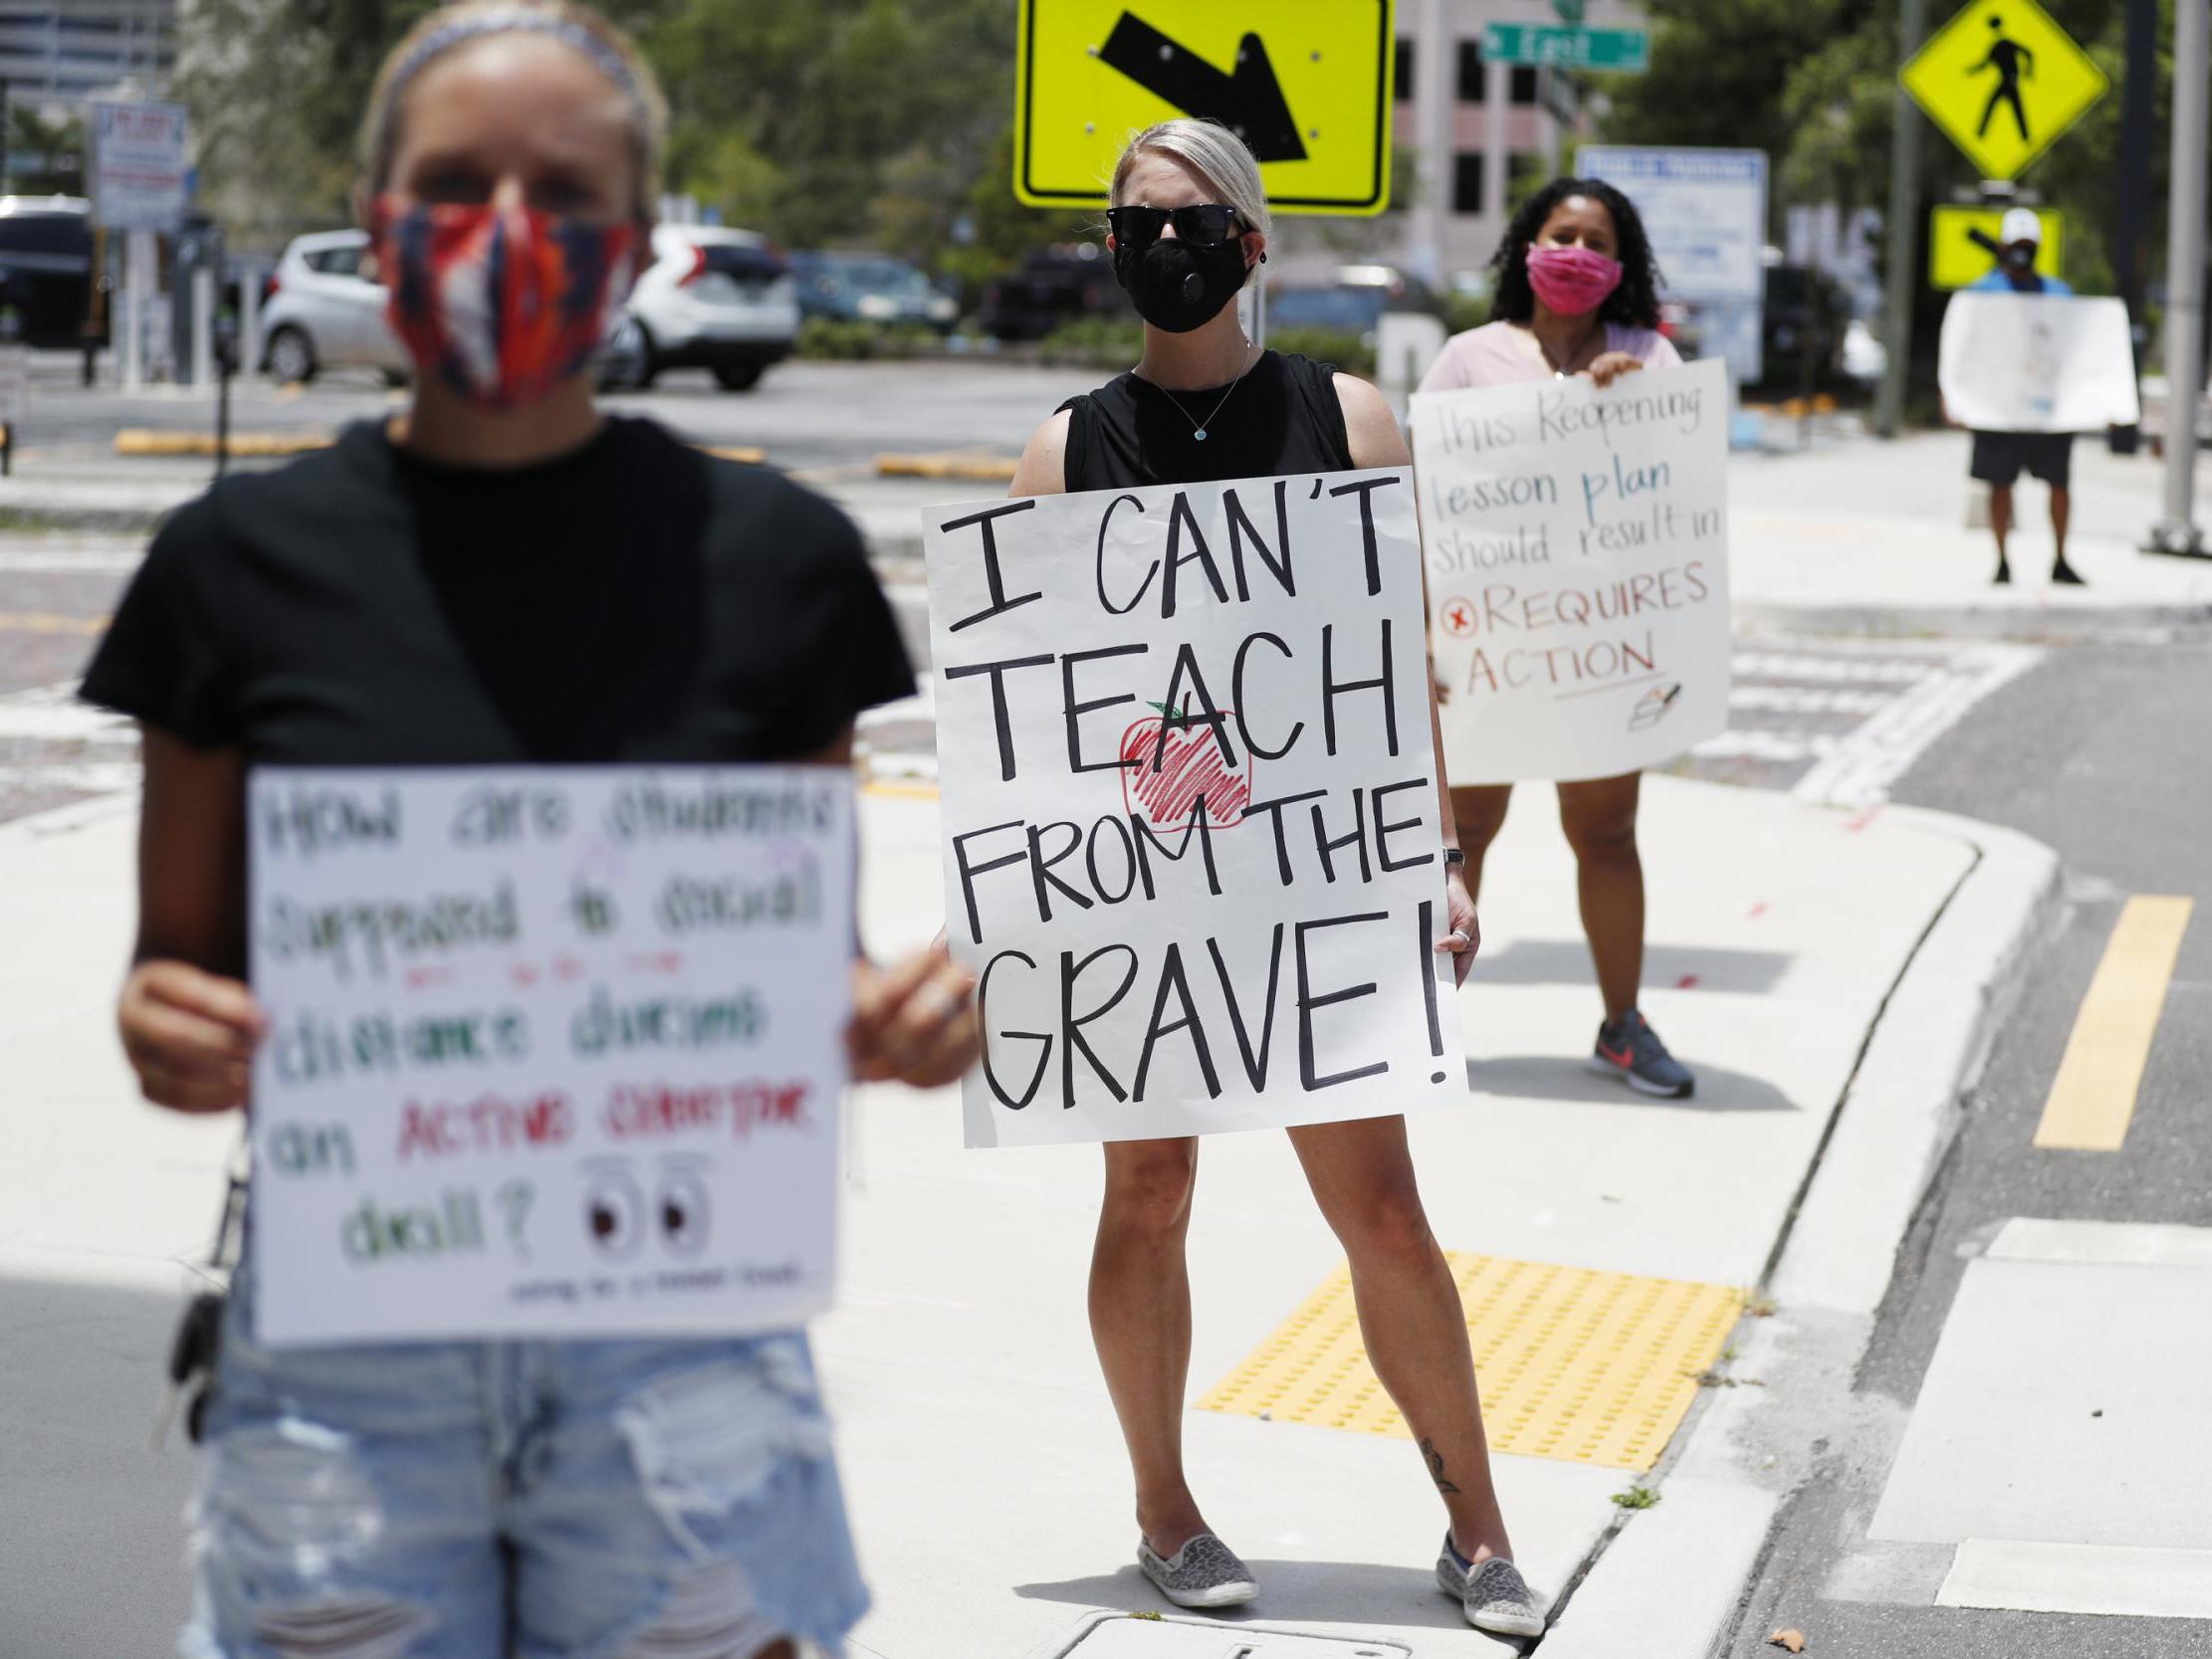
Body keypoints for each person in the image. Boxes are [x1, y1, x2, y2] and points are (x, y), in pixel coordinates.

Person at [80, 6, 977, 1656]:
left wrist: (887, 1021)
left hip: (681, 1354)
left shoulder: (778, 563)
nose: (505, 228)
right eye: (453, 181)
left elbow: (800, 971)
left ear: (636, 243)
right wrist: (168, 1029)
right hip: (348, 1359)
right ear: (375, 211)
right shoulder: (233, 569)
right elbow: (167, 978)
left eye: (562, 193)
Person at [1006, 118, 1545, 1640]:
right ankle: (1162, 1512)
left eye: (1187, 220)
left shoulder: (1350, 418)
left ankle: (1479, 1526)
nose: (1157, 245)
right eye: (1133, 223)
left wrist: (1436, 855)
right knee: (1149, 1185)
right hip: (1146, 882)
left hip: (1311, 879)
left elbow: (1398, 673)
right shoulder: (1065, 448)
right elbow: (1038, 710)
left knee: (1378, 1206)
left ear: (1249, 241)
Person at [1418, 177, 1696, 1102]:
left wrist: (1628, 406)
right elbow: (1418, 498)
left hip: (1600, 643)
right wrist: (1419, 627)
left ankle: (1623, 1024)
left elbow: (1678, 492)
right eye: (1561, 233)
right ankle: (1421, 1023)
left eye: (1596, 239)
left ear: (1621, 266)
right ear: (1526, 248)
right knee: (1468, 833)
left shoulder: (1649, 357)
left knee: (1608, 832)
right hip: (1488, 641)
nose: (1576, 251)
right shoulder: (1467, 359)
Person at [1965, 206, 2084, 587]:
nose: (2022, 250)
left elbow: (2080, 350)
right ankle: (2001, 561)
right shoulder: (1981, 294)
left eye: (2028, 244)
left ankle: (2060, 559)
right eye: (2016, 244)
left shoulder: (2059, 294)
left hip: (2048, 410)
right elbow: (1965, 351)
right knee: (2000, 484)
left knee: (2060, 484)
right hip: (2001, 409)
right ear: (2002, 246)